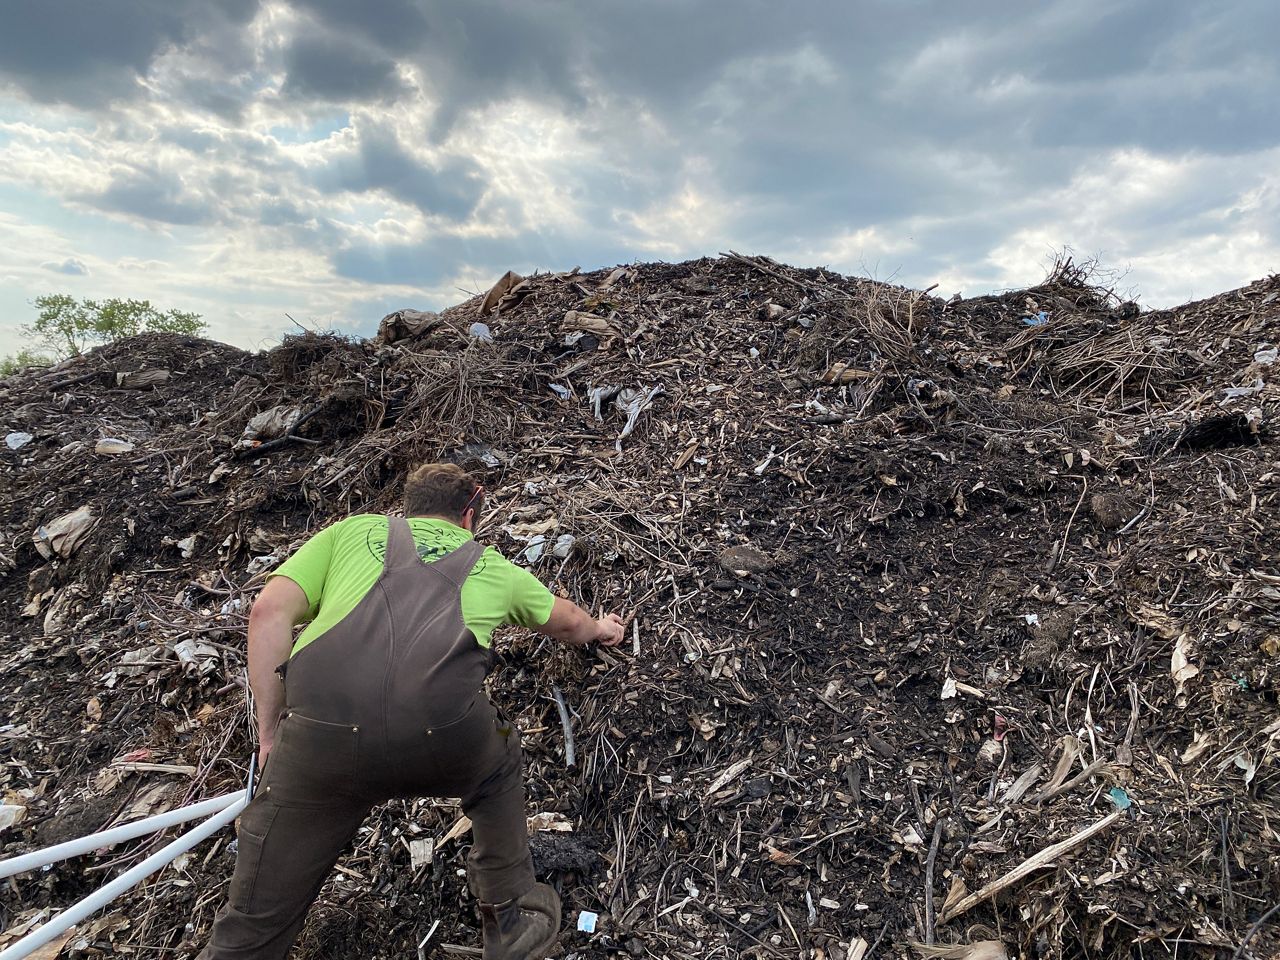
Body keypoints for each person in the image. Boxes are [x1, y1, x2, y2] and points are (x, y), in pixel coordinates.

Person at [200, 463, 627, 960]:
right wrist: (603, 627)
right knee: (499, 760)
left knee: (252, 925)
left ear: (408, 507)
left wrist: (271, 733)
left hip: (319, 738)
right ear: (469, 514)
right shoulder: (490, 566)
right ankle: (508, 918)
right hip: (439, 735)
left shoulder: (349, 534)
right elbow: (569, 622)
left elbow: (267, 612)